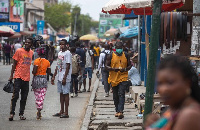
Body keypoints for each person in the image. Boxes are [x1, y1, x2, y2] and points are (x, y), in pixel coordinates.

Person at [145, 55, 200, 130]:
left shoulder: (189, 115)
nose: (163, 89)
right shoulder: (175, 110)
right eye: (160, 83)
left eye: (170, 82)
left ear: (187, 83)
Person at [8, 37, 34, 121]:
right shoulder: (19, 51)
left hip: (26, 78)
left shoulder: (31, 53)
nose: (27, 44)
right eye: (26, 42)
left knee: (24, 97)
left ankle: (21, 114)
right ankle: (12, 113)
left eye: (29, 43)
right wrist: (11, 75)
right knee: (15, 96)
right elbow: (14, 64)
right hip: (18, 76)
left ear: (31, 44)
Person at [105, 42, 131, 119]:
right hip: (114, 78)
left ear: (122, 48)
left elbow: (130, 65)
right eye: (118, 48)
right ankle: (117, 110)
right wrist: (113, 69)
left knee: (121, 93)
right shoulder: (110, 55)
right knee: (115, 95)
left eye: (121, 48)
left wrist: (125, 69)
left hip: (123, 77)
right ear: (115, 48)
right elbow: (106, 66)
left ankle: (121, 111)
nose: (119, 49)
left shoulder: (126, 55)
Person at [51, 39, 72, 118]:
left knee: (66, 94)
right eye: (60, 44)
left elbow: (68, 66)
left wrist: (64, 78)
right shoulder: (60, 53)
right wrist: (54, 76)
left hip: (65, 77)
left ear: (66, 45)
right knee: (61, 93)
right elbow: (58, 65)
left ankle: (66, 112)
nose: (61, 46)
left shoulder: (68, 53)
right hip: (59, 76)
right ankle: (61, 110)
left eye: (63, 44)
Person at [32, 47, 52, 120]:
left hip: (36, 80)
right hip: (43, 80)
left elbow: (34, 72)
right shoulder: (47, 62)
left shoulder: (36, 61)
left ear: (38, 53)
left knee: (37, 96)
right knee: (42, 96)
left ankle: (38, 109)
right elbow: (49, 72)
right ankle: (39, 110)